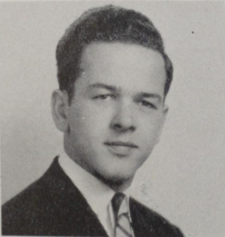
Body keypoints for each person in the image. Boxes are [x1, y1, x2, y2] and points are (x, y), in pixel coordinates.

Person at [2, 5, 184, 237]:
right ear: (62, 110)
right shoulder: (14, 225)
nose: (125, 121)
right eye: (104, 96)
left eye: (145, 103)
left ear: (161, 122)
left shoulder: (165, 233)